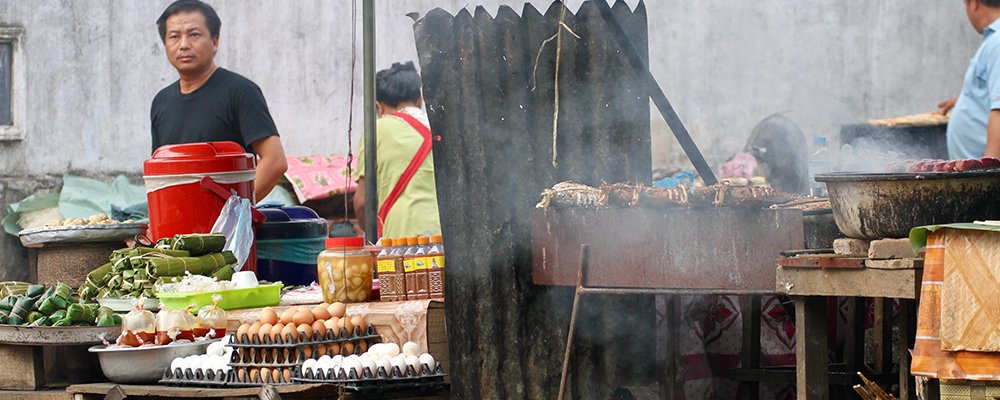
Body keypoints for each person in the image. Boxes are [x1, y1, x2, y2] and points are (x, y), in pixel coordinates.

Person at [150, 0, 287, 201]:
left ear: (215, 41)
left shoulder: (241, 91)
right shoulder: (161, 102)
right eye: (174, 36)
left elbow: (275, 161)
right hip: (177, 223)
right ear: (165, 44)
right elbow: (159, 172)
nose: (184, 44)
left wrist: (233, 210)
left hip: (226, 229)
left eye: (194, 34)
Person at [353, 62, 441, 238]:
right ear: (420, 100)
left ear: (378, 107)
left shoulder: (376, 130)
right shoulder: (439, 126)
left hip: (402, 236)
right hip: (448, 232)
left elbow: (362, 202)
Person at [940, 0, 1000, 159]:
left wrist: (990, 172)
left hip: (987, 179)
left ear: (974, 3)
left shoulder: (998, 42)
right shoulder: (993, 40)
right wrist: (964, 100)